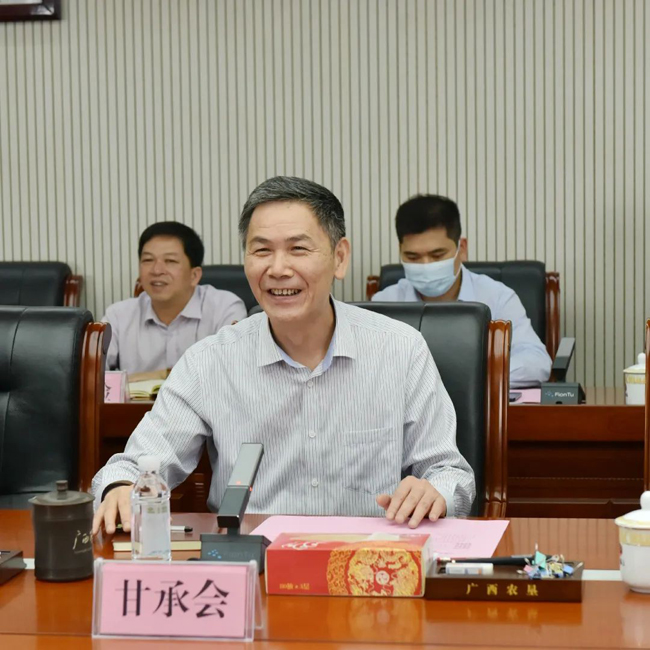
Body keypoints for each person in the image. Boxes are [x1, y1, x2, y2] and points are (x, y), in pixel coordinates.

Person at [92, 177, 475, 535]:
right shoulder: (209, 362)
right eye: (262, 250)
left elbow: (449, 472)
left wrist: (434, 492)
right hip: (253, 563)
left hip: (366, 562)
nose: (277, 269)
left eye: (298, 249)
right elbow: (134, 465)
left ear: (340, 257)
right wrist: (122, 487)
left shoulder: (400, 349)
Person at [372, 195, 552, 387]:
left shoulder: (497, 297)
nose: (426, 265)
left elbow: (537, 362)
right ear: (400, 251)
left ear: (462, 248)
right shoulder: (383, 303)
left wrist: (471, 377)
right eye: (412, 257)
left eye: (437, 255)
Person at [102, 222, 247, 374]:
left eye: (170, 261)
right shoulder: (117, 316)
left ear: (194, 275)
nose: (157, 270)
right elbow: (93, 377)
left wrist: (156, 376)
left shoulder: (225, 309)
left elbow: (231, 372)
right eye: (148, 260)